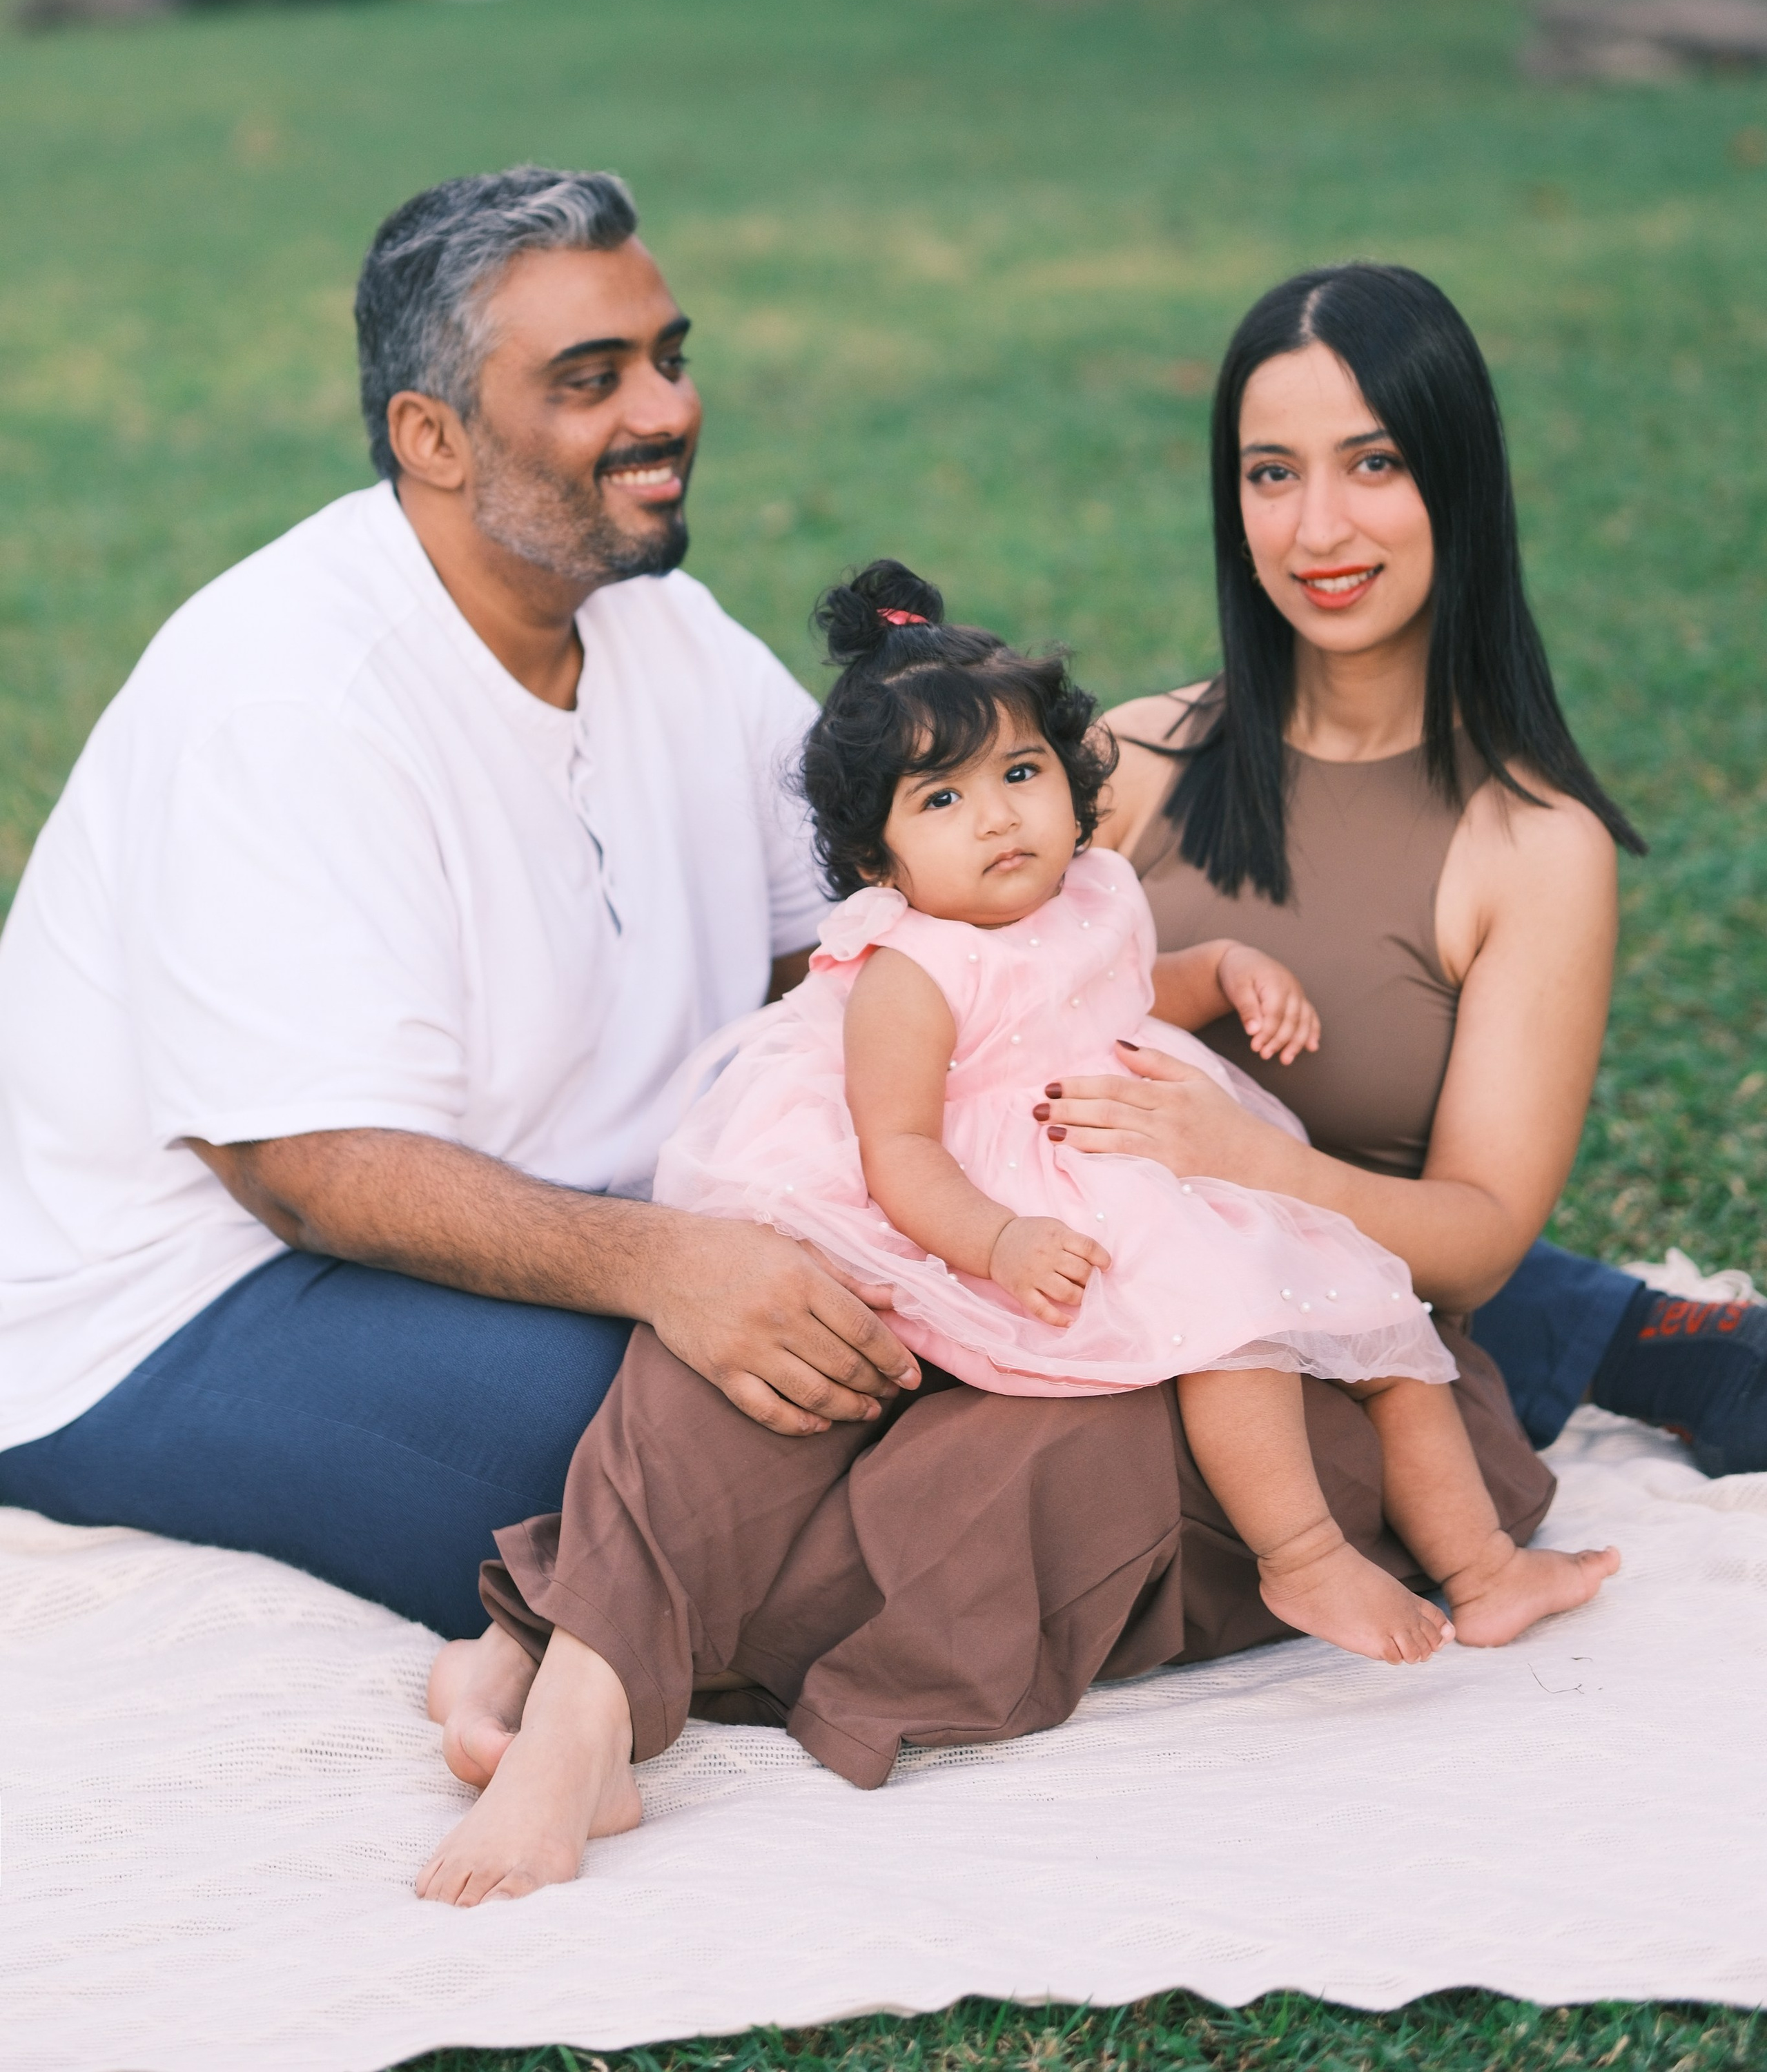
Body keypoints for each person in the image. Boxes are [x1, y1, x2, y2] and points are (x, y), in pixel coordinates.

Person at [413, 563, 1611, 1906]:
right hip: (975, 1199)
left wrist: (1225, 994)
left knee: (1305, 1376)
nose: (996, 819)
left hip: (1164, 1193)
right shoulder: (979, 901)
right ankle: (585, 1696)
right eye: (943, 800)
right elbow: (906, 1146)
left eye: (1019, 777)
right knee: (812, 1345)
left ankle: (566, 1634)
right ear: (877, 857)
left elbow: (1125, 996)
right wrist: (991, 1240)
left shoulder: (1118, 886)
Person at [0, 166, 924, 1634]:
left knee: (926, 1328)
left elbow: (842, 941)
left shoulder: (659, 627)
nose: (666, 412)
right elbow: (305, 1170)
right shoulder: (289, 694)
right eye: (589, 379)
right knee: (686, 1455)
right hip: (176, 1302)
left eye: (667, 359)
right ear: (428, 436)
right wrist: (674, 1268)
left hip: (539, 1242)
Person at [1078, 261, 1766, 1476]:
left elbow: (1479, 1240)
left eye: (1376, 462)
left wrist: (1246, 1160)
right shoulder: (1125, 761)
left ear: (1459, 476)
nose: (1318, 529)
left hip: (1314, 1384)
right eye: (1271, 474)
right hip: (1057, 1300)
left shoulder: (1536, 846)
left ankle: (1639, 1343)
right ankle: (1623, 1334)